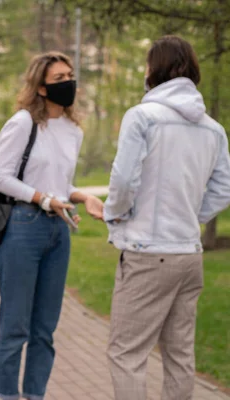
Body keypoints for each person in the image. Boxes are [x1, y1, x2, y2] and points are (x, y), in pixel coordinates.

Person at [104, 35, 230, 400]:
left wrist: (116, 215)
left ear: (154, 69)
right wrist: (191, 214)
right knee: (180, 356)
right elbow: (223, 190)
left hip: (147, 254)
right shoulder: (213, 129)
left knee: (126, 355)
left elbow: (125, 180)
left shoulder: (142, 117)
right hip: (189, 255)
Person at [0, 52, 104, 400]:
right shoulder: (24, 123)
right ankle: (8, 396)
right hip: (23, 228)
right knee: (15, 328)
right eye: (59, 78)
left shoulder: (72, 130)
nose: (69, 82)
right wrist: (43, 199)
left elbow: (59, 183)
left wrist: (80, 197)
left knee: (45, 330)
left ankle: (34, 395)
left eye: (70, 75)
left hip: (58, 232)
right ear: (40, 87)